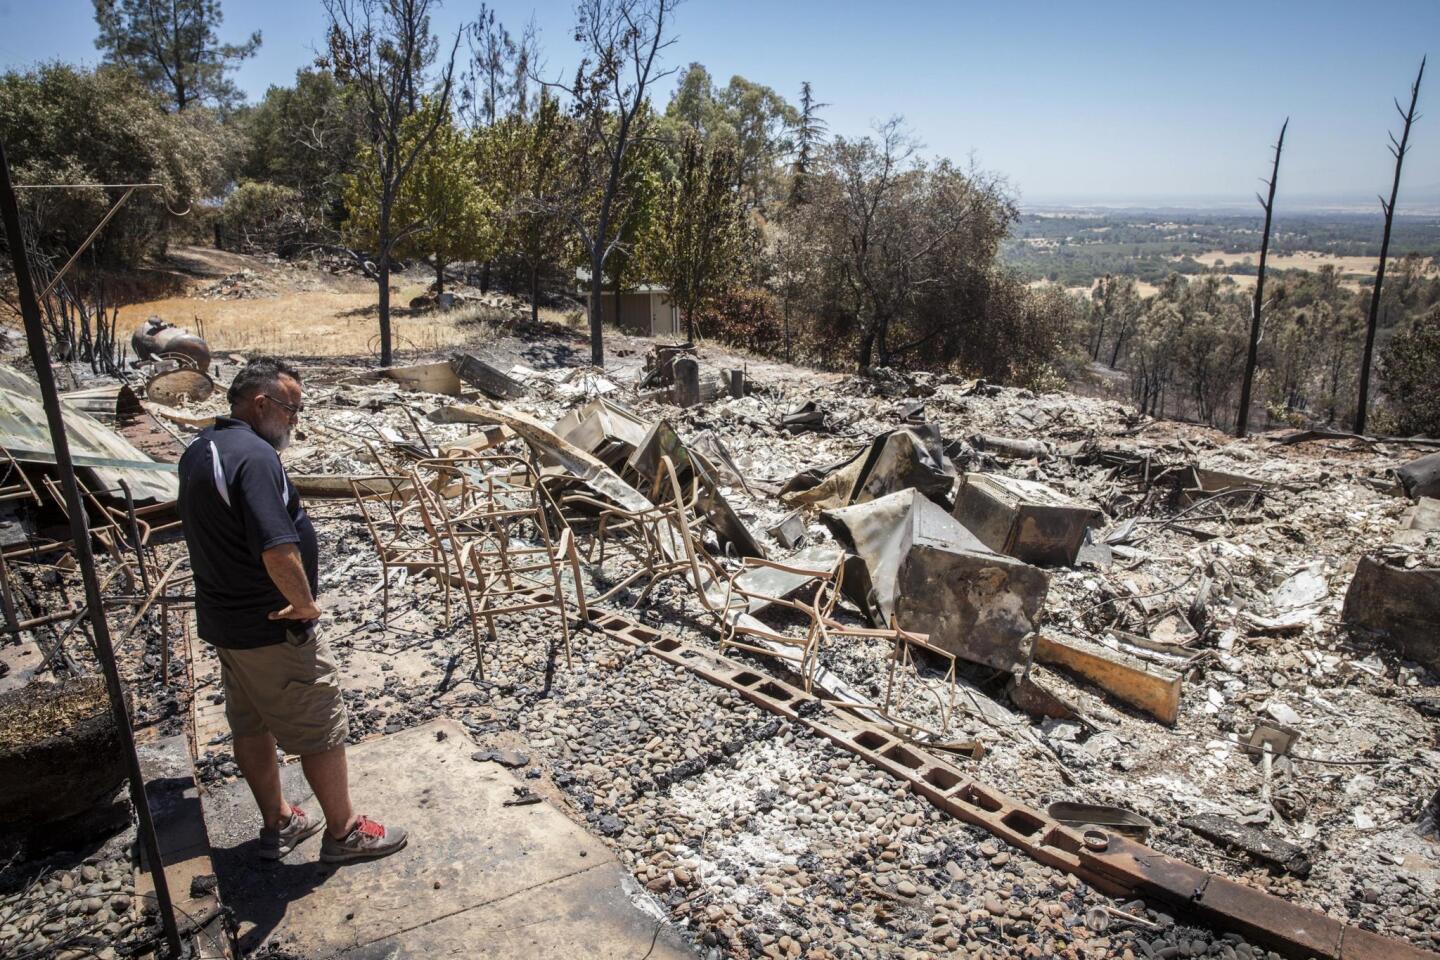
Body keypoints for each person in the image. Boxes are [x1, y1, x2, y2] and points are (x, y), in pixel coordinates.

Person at [178, 357, 407, 863]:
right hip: (272, 627)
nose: (295, 421)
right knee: (319, 725)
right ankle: (345, 833)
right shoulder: (256, 458)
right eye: (291, 409)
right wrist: (304, 605)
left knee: (251, 723)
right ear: (261, 404)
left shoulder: (202, 447)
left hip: (227, 621)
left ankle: (279, 820)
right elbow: (277, 546)